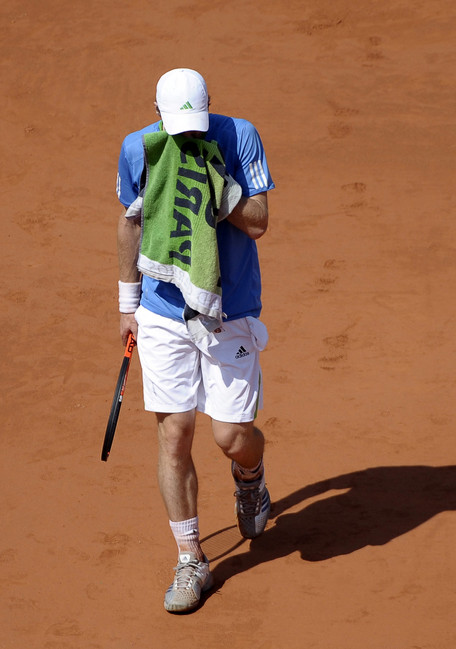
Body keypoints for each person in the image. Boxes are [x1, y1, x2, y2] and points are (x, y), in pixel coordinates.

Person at [114, 68, 275, 613]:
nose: (186, 135)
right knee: (174, 436)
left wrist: (220, 189)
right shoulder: (138, 149)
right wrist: (127, 305)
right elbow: (130, 224)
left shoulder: (239, 137)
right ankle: (190, 560)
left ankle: (250, 476)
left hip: (229, 310)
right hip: (163, 309)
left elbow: (258, 222)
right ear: (155, 112)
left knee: (231, 436)